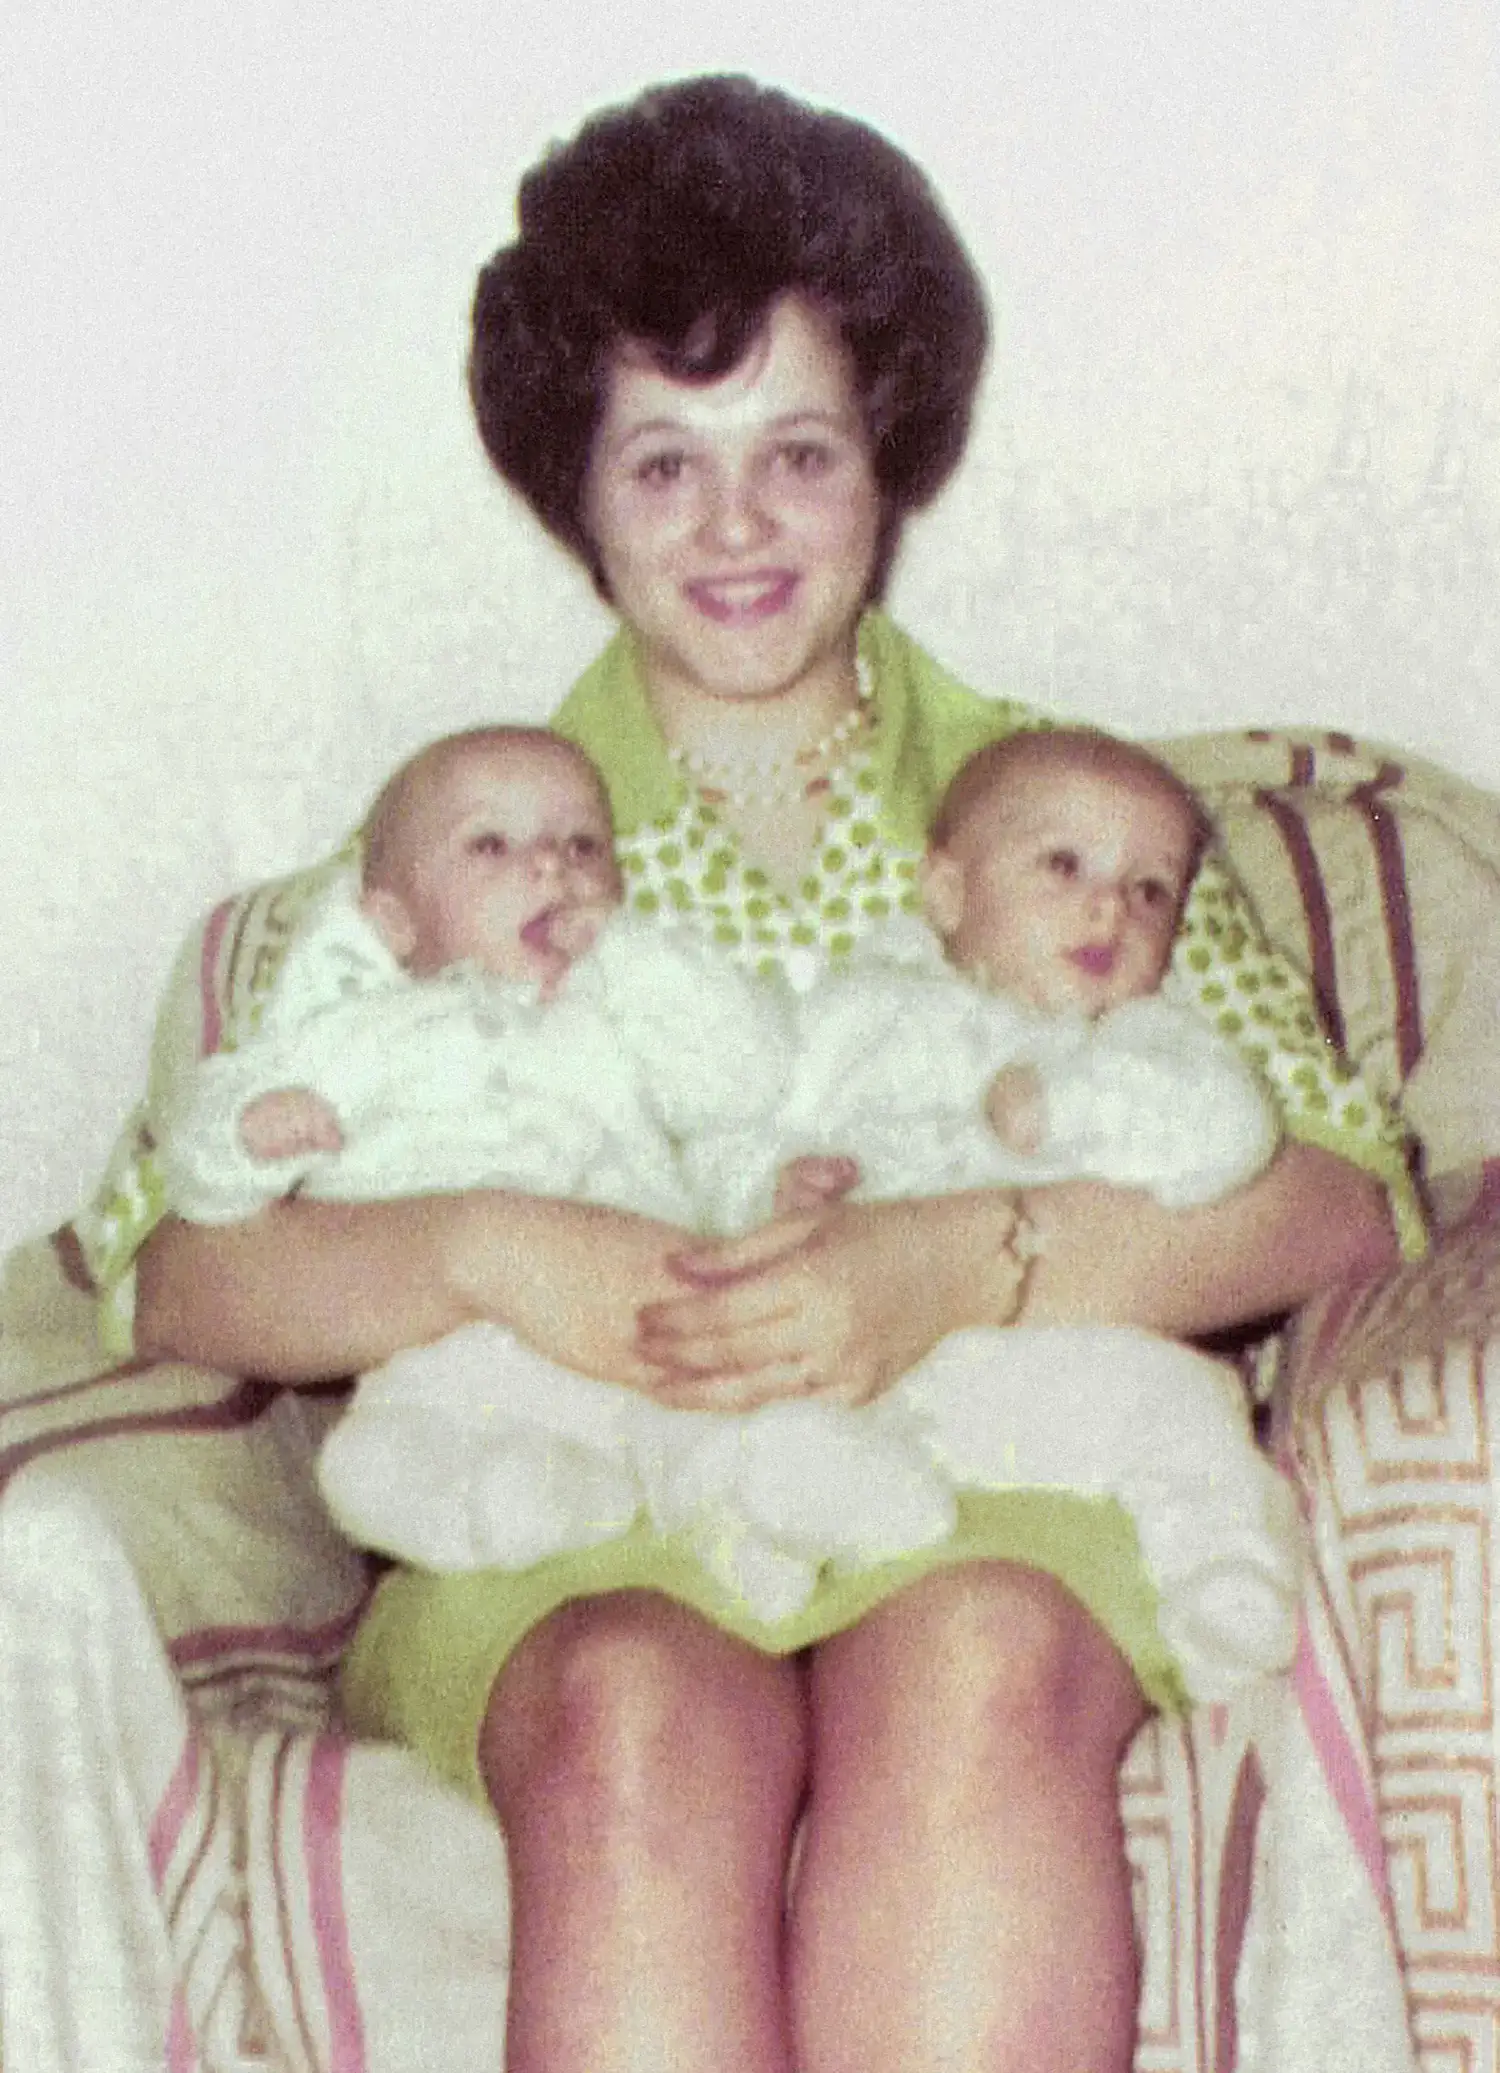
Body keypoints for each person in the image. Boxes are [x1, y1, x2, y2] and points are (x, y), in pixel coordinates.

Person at [93, 73, 1420, 2073]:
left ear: (886, 457)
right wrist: (487, 1247)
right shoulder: (445, 856)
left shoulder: (1067, 817)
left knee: (968, 1654)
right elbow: (172, 1265)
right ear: (579, 494)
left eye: (796, 451)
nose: (735, 527)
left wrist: (960, 1260)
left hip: (1004, 1477)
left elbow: (1339, 1194)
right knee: (639, 1697)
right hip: (569, 1508)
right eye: (664, 464)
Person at [179, 718, 1295, 1702]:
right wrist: (250, 1136)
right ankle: (672, 1518)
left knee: (1167, 1412)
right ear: (391, 919)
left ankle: (1226, 1580)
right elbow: (172, 1227)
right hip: (540, 1361)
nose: (552, 872)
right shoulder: (355, 1013)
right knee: (414, 1456)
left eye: (580, 849)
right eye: (497, 849)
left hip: (981, 1341)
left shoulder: (1142, 1023)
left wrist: (1061, 1112)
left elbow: (732, 1094)